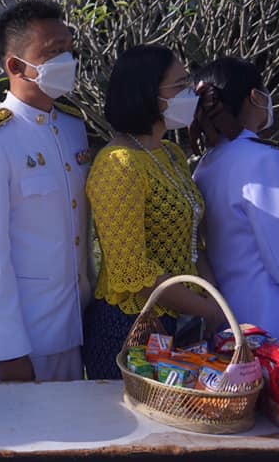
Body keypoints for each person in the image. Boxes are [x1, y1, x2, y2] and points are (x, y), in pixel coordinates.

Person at [0, 0, 91, 382]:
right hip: (21, 334)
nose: (67, 60)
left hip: (70, 325)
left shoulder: (72, 128)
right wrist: (10, 350)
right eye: (53, 51)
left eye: (69, 49)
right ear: (15, 66)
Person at [82, 45, 224, 379]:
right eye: (179, 85)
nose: (190, 93)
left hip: (184, 316)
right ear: (147, 94)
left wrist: (212, 299)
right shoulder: (119, 165)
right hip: (131, 327)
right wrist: (208, 309)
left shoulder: (171, 153)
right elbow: (131, 271)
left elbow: (192, 241)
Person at [191, 57, 279, 340]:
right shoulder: (264, 160)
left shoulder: (205, 165)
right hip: (273, 320)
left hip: (228, 320)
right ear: (256, 96)